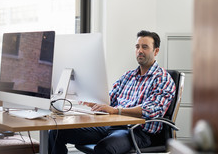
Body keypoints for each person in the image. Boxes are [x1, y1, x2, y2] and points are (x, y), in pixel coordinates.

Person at [48, 30, 176, 154]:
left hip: (137, 131)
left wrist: (116, 110)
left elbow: (152, 110)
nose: (140, 51)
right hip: (112, 125)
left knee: (105, 148)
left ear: (156, 51)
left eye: (145, 47)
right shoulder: (129, 76)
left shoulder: (162, 78)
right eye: (137, 47)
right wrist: (92, 100)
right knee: (56, 132)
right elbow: (109, 99)